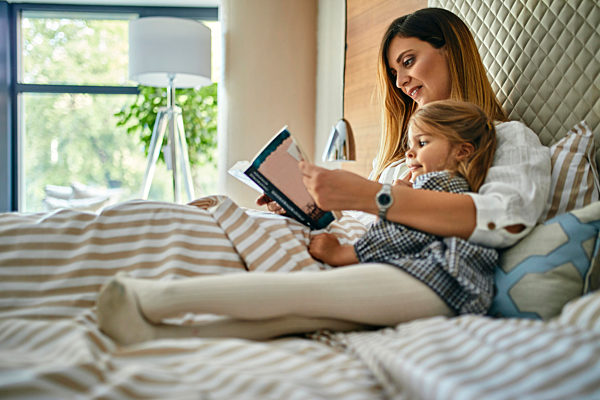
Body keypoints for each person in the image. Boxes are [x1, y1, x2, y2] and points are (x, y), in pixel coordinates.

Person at [96, 8, 550, 345]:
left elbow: (502, 219)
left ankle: (154, 299)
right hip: (362, 254)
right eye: (395, 72)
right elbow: (372, 225)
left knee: (299, 298)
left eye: (409, 61)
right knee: (286, 310)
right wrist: (311, 209)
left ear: (452, 50)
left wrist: (376, 198)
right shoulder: (399, 163)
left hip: (416, 272)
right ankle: (154, 335)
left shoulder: (505, 138)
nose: (402, 82)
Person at [310, 99, 499, 315]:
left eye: (423, 143)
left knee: (307, 297)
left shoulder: (443, 183)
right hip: (445, 287)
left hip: (438, 279)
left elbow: (400, 237)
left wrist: (341, 253)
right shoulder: (443, 188)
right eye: (410, 145)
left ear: (462, 151)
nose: (409, 153)